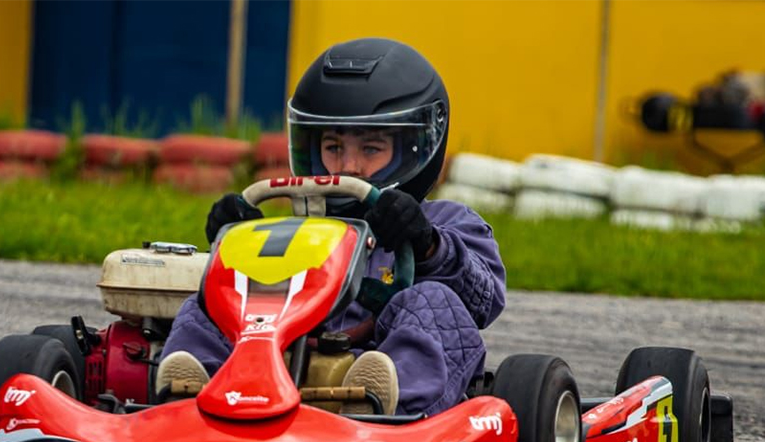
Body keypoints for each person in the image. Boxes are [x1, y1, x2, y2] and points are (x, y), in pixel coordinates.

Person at [157, 37, 506, 417]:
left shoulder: (446, 221)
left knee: (431, 301)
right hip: (284, 359)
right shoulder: (299, 229)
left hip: (379, 365)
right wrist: (234, 244)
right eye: (333, 148)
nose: (348, 167)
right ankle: (191, 392)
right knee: (209, 301)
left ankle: (382, 405)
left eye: (371, 149)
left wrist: (426, 243)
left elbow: (482, 301)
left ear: (416, 148)